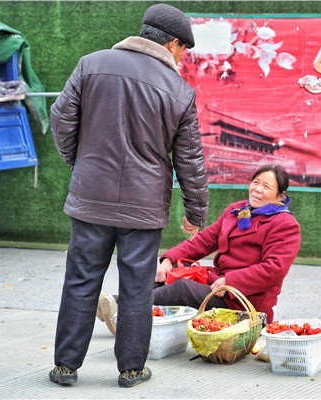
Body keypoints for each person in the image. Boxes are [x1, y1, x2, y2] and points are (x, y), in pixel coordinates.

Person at [49, 3, 208, 388]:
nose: (183, 59)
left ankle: (66, 367)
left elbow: (60, 119)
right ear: (171, 43)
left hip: (92, 198)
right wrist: (196, 212)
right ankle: (132, 369)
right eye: (184, 50)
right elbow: (189, 158)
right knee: (136, 287)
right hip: (144, 206)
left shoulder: (91, 64)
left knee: (80, 279)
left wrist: (80, 163)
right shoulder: (179, 92)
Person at [99, 164, 301, 333]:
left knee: (182, 289)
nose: (257, 189)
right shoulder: (236, 210)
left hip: (243, 300)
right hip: (217, 284)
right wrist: (168, 260)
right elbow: (202, 241)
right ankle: (125, 321)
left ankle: (118, 306)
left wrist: (230, 281)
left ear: (280, 196)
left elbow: (273, 269)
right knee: (163, 278)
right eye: (255, 182)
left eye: (266, 186)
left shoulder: (284, 224)